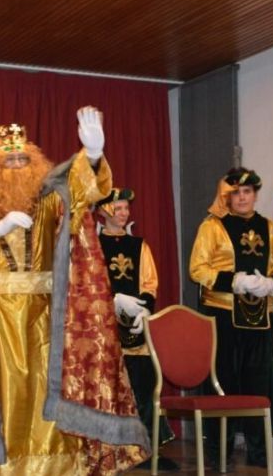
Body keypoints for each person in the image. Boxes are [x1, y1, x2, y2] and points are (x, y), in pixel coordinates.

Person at [0, 108, 148, 476]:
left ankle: (58, 467)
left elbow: (82, 192)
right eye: (9, 160)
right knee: (7, 393)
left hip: (47, 315)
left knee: (49, 388)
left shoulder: (51, 198)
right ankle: (4, 468)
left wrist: (93, 154)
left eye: (23, 159)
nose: (17, 166)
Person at [189, 167, 273, 469]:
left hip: (259, 319)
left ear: (255, 195)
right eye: (236, 193)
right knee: (223, 384)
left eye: (247, 192)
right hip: (223, 317)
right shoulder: (212, 226)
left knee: (259, 385)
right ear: (228, 197)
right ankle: (219, 452)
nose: (242, 198)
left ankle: (259, 453)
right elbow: (197, 269)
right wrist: (233, 281)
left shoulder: (269, 228)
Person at [96, 187, 178, 472]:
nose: (123, 213)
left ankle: (147, 450)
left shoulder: (139, 245)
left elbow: (149, 282)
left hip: (137, 327)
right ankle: (110, 450)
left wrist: (143, 308)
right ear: (105, 211)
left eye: (126, 209)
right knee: (108, 388)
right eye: (118, 208)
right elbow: (90, 282)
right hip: (105, 328)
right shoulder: (94, 245)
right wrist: (113, 301)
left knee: (143, 388)